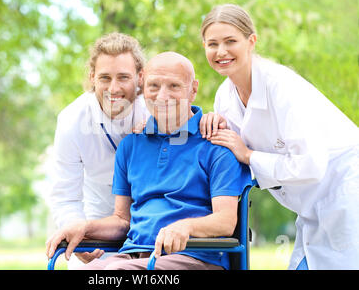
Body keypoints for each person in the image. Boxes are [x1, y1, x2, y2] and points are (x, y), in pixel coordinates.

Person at [45, 51, 252, 270]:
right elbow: (122, 221)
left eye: (174, 86)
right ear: (143, 87)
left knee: (115, 272)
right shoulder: (130, 146)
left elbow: (226, 221)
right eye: (154, 86)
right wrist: (84, 227)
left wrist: (185, 227)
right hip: (133, 256)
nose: (162, 97)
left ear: (193, 89)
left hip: (193, 258)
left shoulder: (217, 144)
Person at [199, 4, 359, 269]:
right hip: (311, 208)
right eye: (212, 44)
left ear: (251, 41)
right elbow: (230, 155)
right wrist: (211, 122)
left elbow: (310, 164)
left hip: (345, 192)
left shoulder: (280, 86)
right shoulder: (223, 97)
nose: (221, 52)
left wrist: (249, 155)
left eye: (231, 41)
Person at [46, 32, 149, 267]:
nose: (114, 88)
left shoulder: (154, 111)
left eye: (123, 77)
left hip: (150, 222)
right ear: (92, 77)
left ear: (140, 77)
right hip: (97, 225)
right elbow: (65, 195)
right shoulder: (72, 119)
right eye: (105, 78)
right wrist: (77, 231)